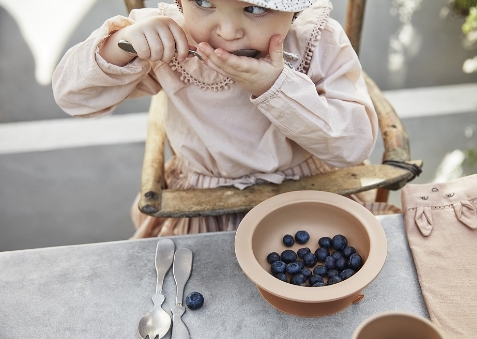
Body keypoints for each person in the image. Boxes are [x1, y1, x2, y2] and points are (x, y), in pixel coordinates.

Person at [53, 0, 397, 238]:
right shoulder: (170, 38)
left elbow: (352, 146)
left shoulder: (316, 41)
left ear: (293, 11)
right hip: (202, 204)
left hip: (309, 192)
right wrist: (123, 43)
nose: (229, 31)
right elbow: (74, 98)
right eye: (203, 2)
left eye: (254, 8)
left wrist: (275, 86)